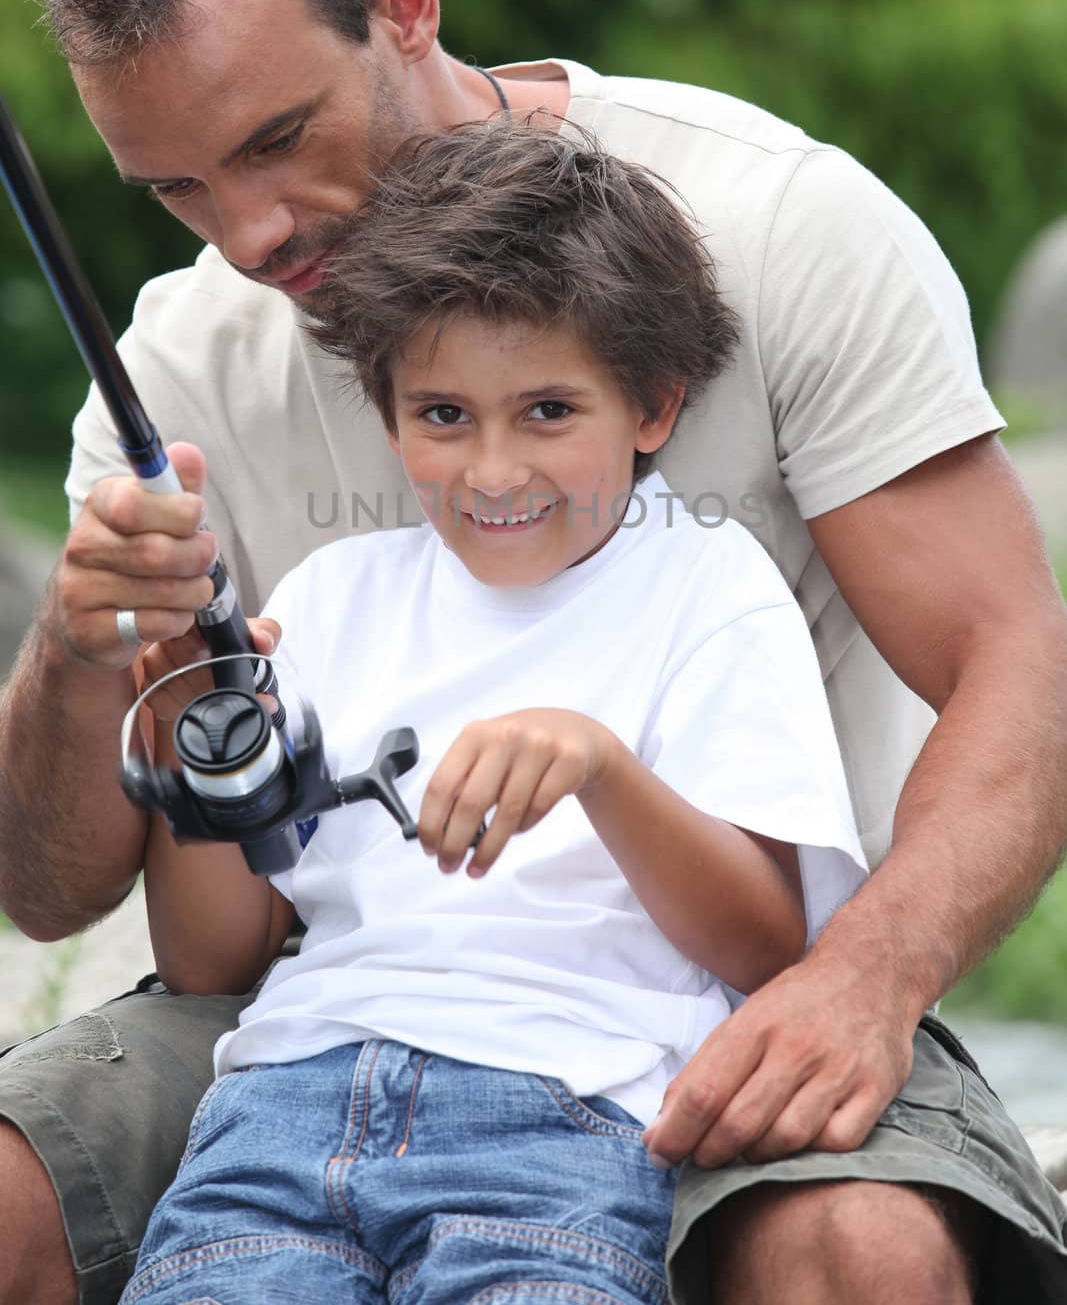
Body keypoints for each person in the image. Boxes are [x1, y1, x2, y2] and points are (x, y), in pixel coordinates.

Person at [0, 0, 1065, 1305]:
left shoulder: (774, 226)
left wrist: (864, 980)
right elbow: (64, 901)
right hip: (316, 1024)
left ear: (404, 5)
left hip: (699, 1003)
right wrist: (85, 650)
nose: (244, 234)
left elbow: (1016, 667)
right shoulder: (182, 362)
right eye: (172, 190)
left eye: (274, 140)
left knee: (859, 1247)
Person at [117, 120, 870, 1304]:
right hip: (279, 1112)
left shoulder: (708, 588)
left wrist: (597, 767)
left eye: (549, 411)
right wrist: (188, 698)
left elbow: (769, 945)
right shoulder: (328, 597)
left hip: (563, 1132)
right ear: (387, 413)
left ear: (654, 403)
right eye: (444, 415)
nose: (494, 470)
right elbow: (209, 954)